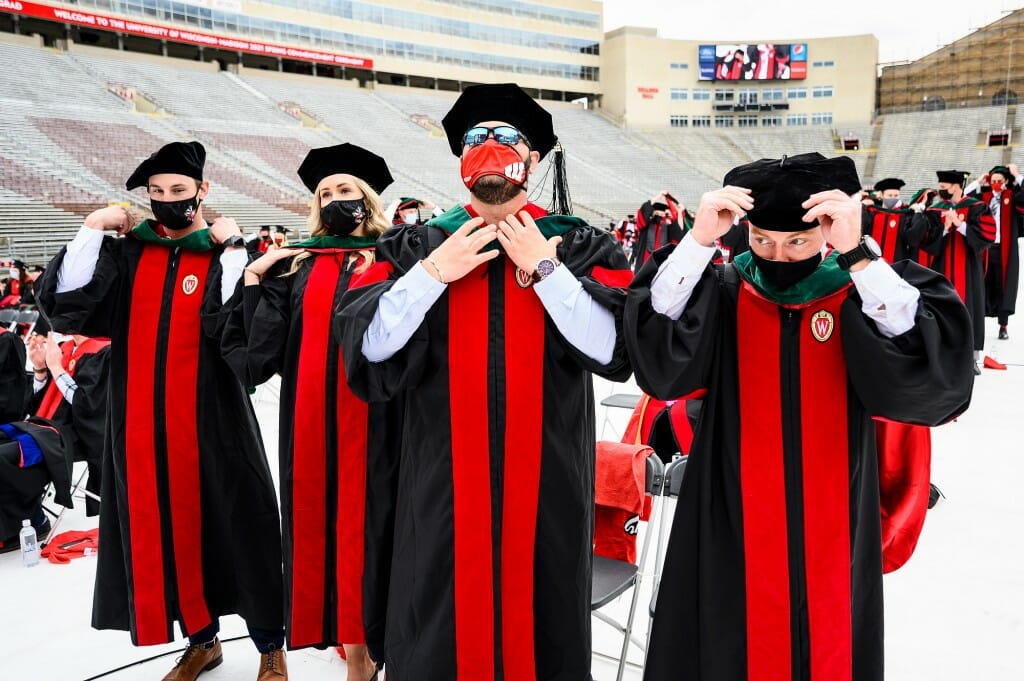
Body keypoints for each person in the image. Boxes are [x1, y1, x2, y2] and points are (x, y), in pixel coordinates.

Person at [625, 153, 974, 681]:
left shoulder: (861, 290)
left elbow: (933, 372)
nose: (779, 257)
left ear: (826, 237)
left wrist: (857, 255)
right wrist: (698, 242)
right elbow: (655, 348)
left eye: (798, 243)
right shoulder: (725, 290)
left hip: (832, 513)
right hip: (729, 511)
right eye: (762, 240)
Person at [335, 82, 632, 681]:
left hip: (546, 481)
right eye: (476, 138)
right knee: (440, 628)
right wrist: (433, 274)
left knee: (539, 625)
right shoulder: (416, 243)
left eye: (507, 137)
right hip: (439, 479)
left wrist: (545, 270)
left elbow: (612, 351)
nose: (491, 148)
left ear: (535, 156)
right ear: (458, 157)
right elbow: (368, 349)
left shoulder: (577, 244)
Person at [36, 141, 287, 681]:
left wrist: (235, 248)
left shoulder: (219, 252)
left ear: (202, 192)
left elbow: (236, 324)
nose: (168, 201)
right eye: (156, 193)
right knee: (166, 531)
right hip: (143, 424)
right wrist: (94, 225)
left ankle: (271, 646)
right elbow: (68, 306)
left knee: (241, 525)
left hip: (214, 421)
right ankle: (203, 642)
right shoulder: (129, 254)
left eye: (178, 191)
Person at [222, 143, 401, 681]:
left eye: (345, 190)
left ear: (367, 200)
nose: (334, 200)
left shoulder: (396, 255)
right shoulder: (301, 265)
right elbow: (260, 355)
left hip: (378, 423)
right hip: (311, 426)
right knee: (325, 529)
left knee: (371, 530)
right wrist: (257, 280)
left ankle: (369, 647)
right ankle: (353, 646)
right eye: (325, 193)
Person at [919, 170, 995, 374]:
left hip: (969, 270)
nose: (941, 188)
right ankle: (942, 356)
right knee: (941, 309)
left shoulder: (977, 207)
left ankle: (971, 358)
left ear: (957, 186)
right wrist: (944, 228)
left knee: (970, 308)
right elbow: (926, 240)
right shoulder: (935, 210)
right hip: (942, 269)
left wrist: (961, 225)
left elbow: (988, 236)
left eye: (944, 185)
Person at [27, 331, 110, 517]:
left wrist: (56, 367)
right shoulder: (65, 348)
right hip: (42, 429)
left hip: (73, 436)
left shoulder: (105, 352)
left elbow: (88, 405)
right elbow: (37, 404)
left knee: (9, 456)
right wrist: (40, 369)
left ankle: (34, 518)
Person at [966, 164, 1024, 339]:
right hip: (985, 250)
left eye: (999, 181)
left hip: (1004, 250)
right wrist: (977, 182)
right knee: (980, 284)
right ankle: (976, 322)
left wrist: (1018, 176)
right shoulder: (984, 197)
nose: (996, 184)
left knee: (1003, 285)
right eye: (993, 181)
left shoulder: (1012, 197)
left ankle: (1003, 325)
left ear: (1006, 181)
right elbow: (963, 198)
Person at [861, 177, 932, 263]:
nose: (893, 198)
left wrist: (917, 213)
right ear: (882, 195)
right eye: (890, 195)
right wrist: (862, 207)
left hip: (896, 264)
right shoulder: (872, 213)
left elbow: (913, 239)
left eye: (896, 195)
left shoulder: (904, 216)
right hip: (871, 263)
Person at [632, 191, 689, 272]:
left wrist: (680, 212)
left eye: (662, 213)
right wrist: (659, 195)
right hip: (645, 259)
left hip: (662, 260)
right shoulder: (646, 225)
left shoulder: (668, 225)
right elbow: (644, 209)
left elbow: (679, 230)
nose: (661, 214)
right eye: (657, 212)